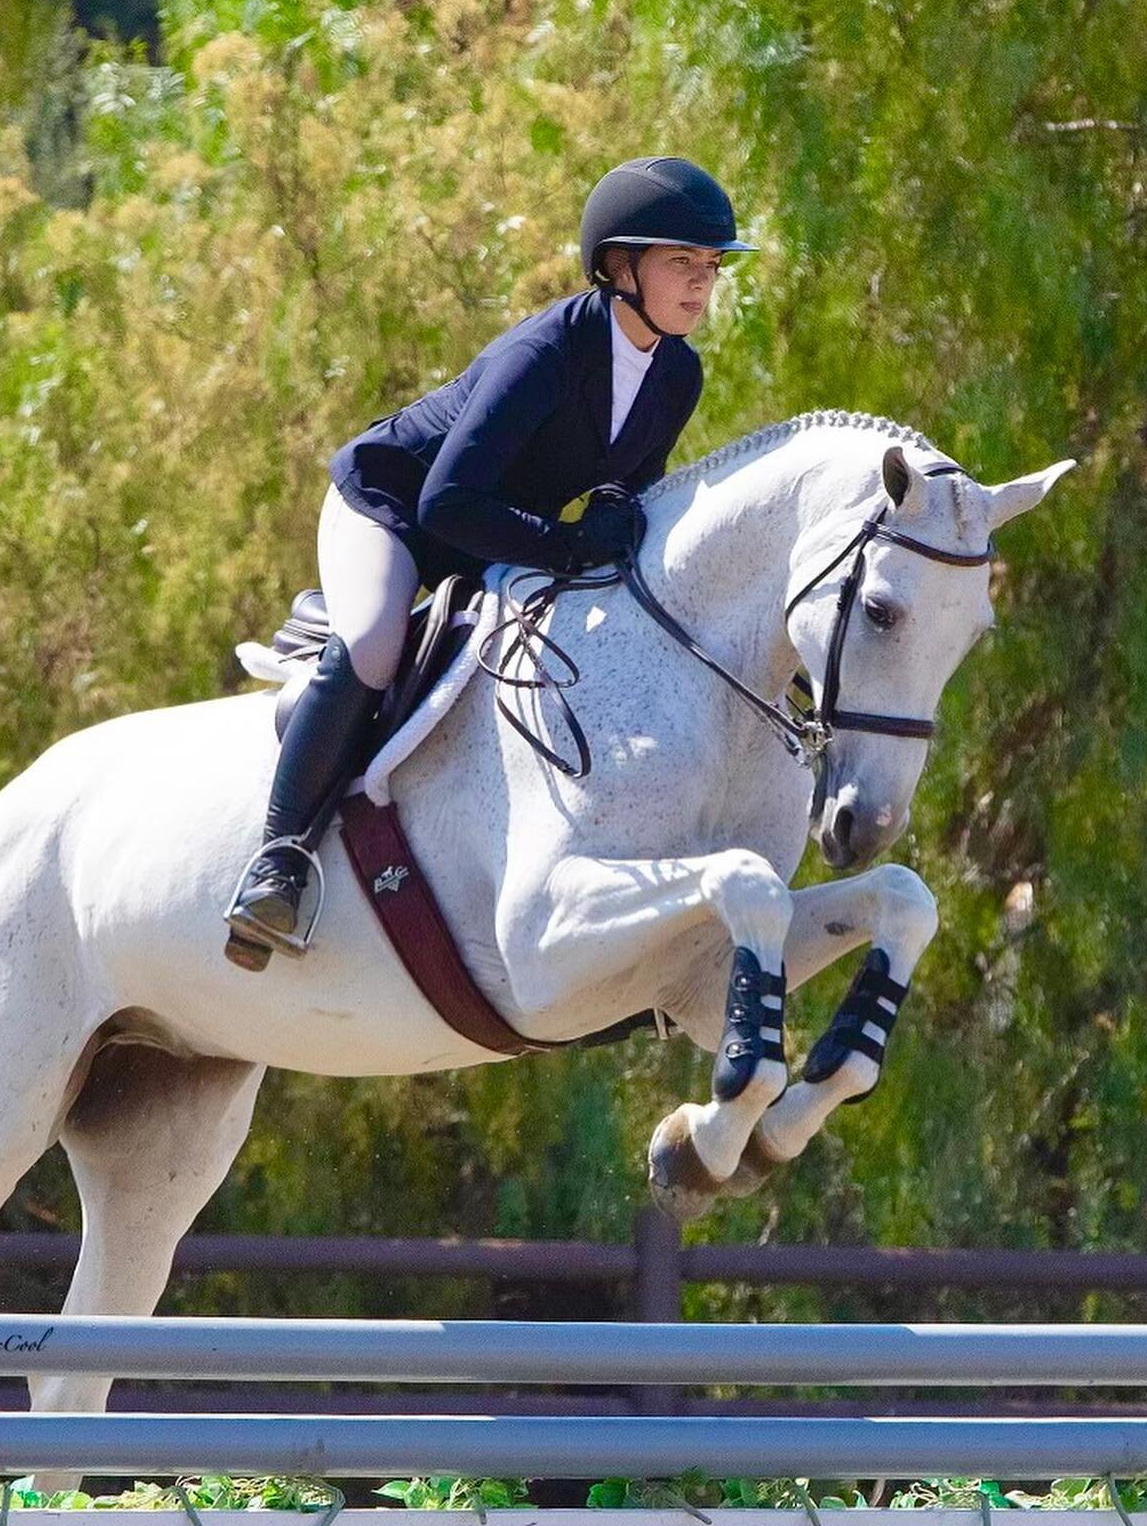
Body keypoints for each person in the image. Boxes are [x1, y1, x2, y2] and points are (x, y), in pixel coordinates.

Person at [225, 155, 757, 969]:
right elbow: (447, 502)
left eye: (711, 267)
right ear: (620, 267)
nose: (700, 285)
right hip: (396, 512)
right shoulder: (543, 353)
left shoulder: (676, 373)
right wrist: (569, 545)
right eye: (681, 264)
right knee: (373, 645)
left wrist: (615, 520)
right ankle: (279, 860)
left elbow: (628, 485)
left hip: (499, 537)